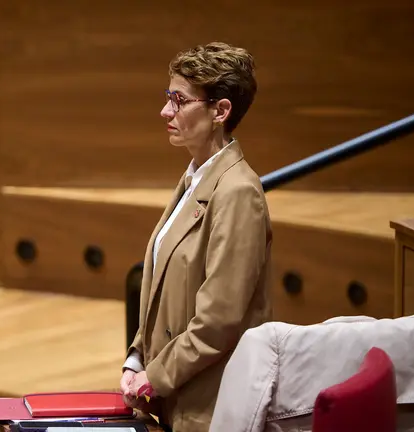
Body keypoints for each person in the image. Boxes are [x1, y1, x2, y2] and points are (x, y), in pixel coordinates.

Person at [120, 41, 273, 431]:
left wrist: (154, 377)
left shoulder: (238, 192)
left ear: (220, 111)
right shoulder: (195, 177)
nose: (165, 111)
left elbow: (217, 321)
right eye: (167, 97)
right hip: (179, 394)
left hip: (210, 407)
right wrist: (136, 360)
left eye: (179, 100)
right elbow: (163, 291)